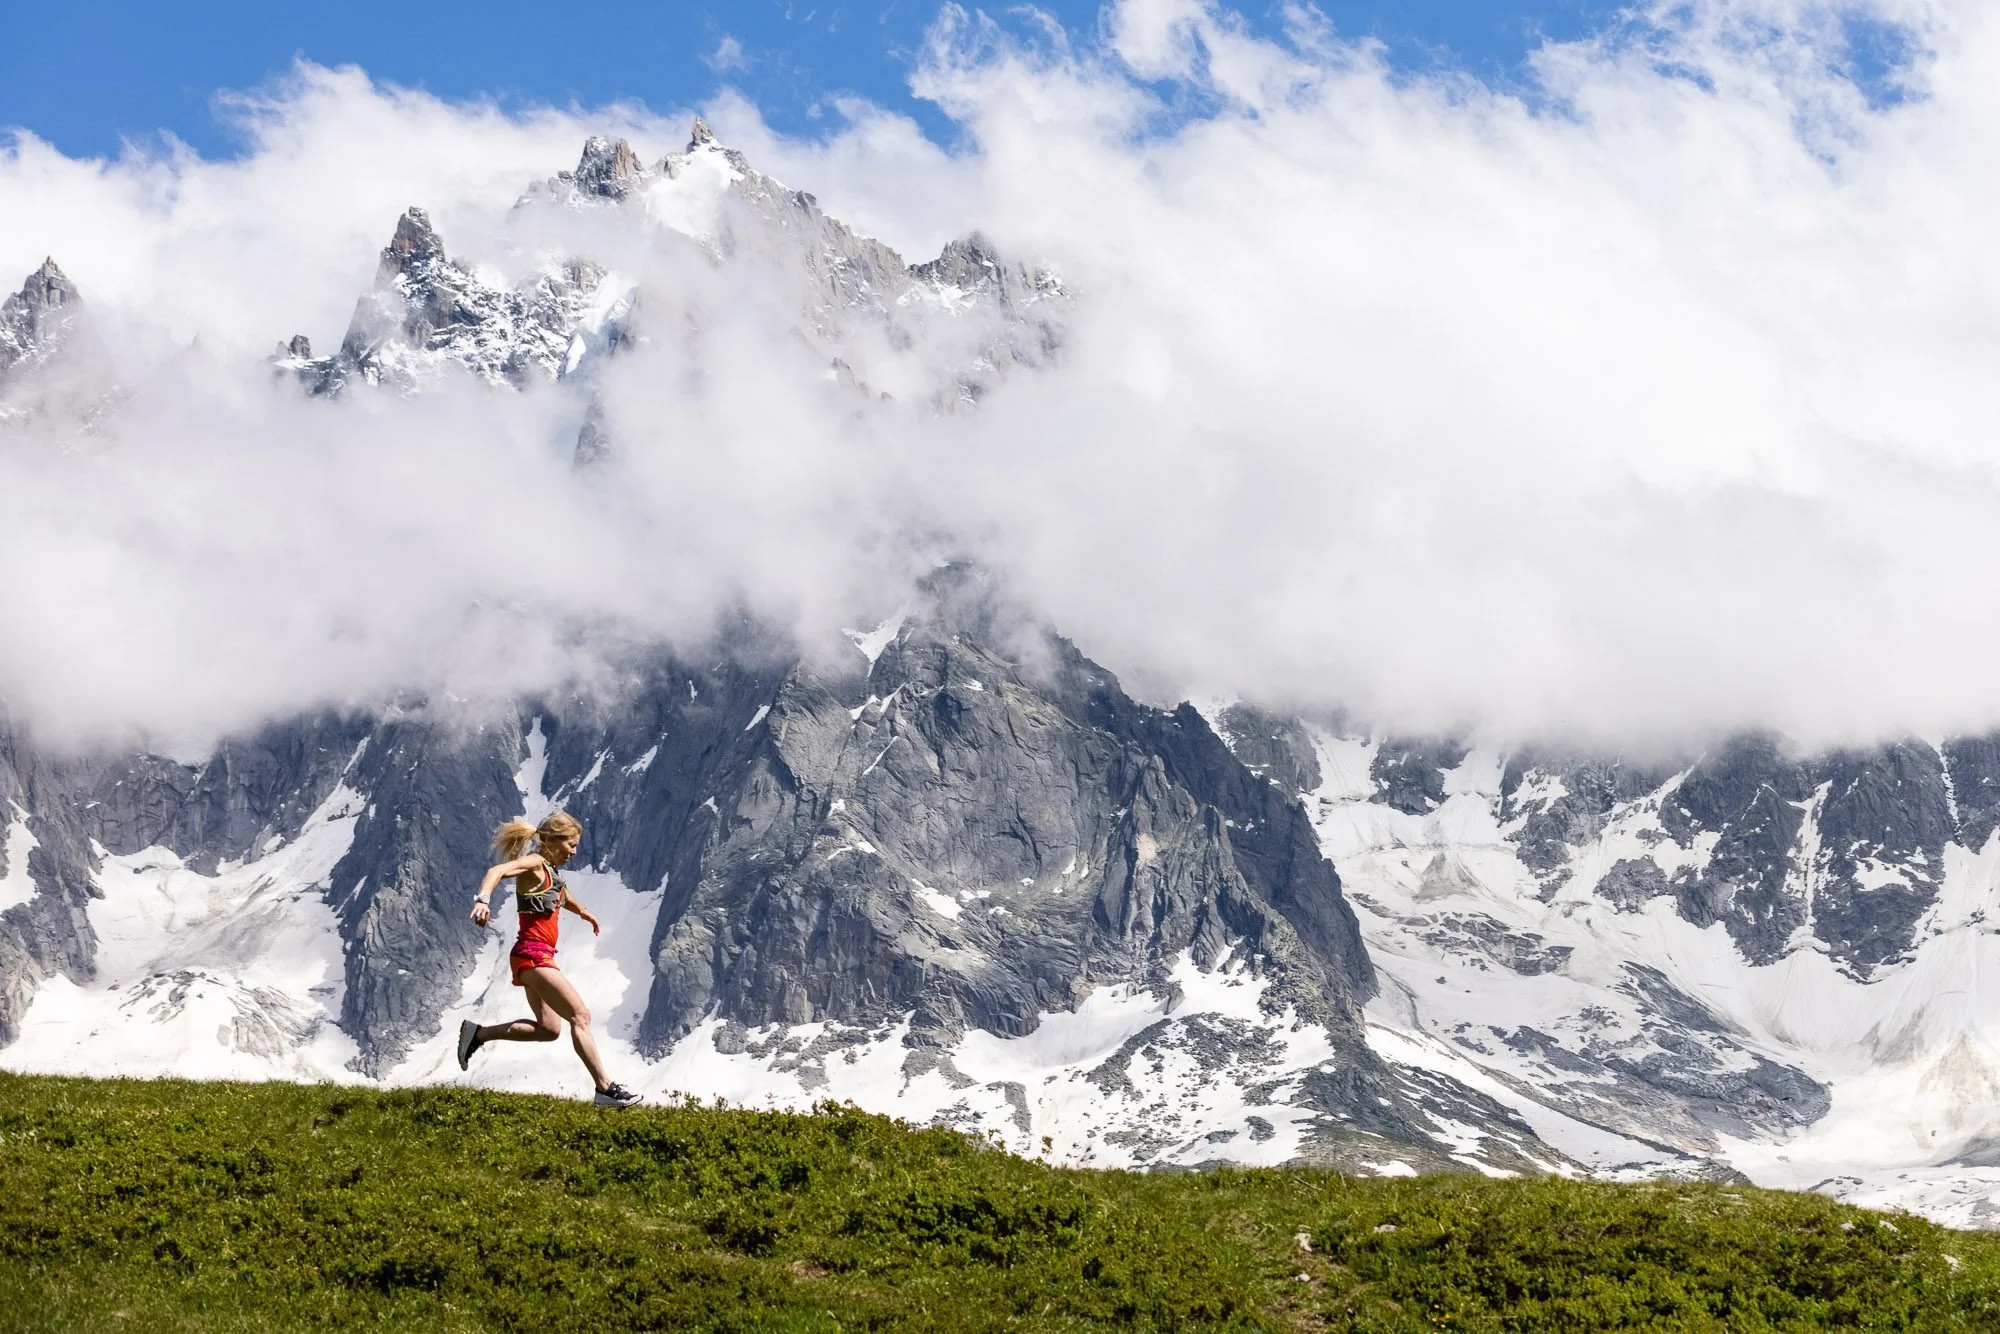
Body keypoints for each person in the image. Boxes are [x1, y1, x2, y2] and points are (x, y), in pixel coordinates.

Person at [456, 811, 642, 1108]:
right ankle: (605, 1089)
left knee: (548, 1030)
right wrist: (483, 900)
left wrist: (584, 913)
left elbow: (562, 896)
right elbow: (497, 871)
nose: (574, 852)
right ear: (553, 841)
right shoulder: (534, 863)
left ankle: (478, 1034)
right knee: (580, 1016)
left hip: (532, 956)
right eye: (571, 845)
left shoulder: (552, 874)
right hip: (533, 955)